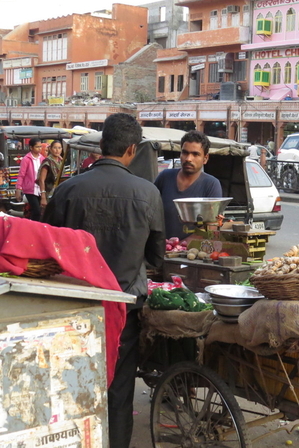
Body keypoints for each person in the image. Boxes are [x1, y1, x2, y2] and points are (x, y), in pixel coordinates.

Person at [43, 113, 165, 448]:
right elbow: (156, 257)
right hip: (123, 308)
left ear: (101, 145)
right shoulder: (148, 193)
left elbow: (47, 249)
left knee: (72, 383)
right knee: (119, 390)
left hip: (74, 307)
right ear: (131, 149)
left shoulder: (68, 190)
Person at [155, 130, 222, 240]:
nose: (188, 159)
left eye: (195, 154)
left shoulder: (211, 184)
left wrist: (179, 247)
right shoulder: (165, 177)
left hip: (192, 253)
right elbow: (150, 213)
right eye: (185, 152)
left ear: (205, 158)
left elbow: (211, 226)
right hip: (161, 250)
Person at [15, 137, 45, 221]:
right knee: (37, 211)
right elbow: (21, 174)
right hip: (30, 190)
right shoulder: (26, 159)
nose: (39, 149)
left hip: (40, 189)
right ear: (31, 147)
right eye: (37, 147)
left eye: (40, 147)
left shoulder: (42, 159)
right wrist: (18, 188)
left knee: (38, 211)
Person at [37, 140, 63, 211]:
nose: (57, 150)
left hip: (59, 192)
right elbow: (41, 180)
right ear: (50, 149)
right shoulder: (47, 162)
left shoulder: (61, 162)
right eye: (55, 148)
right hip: (49, 193)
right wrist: (43, 197)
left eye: (59, 148)